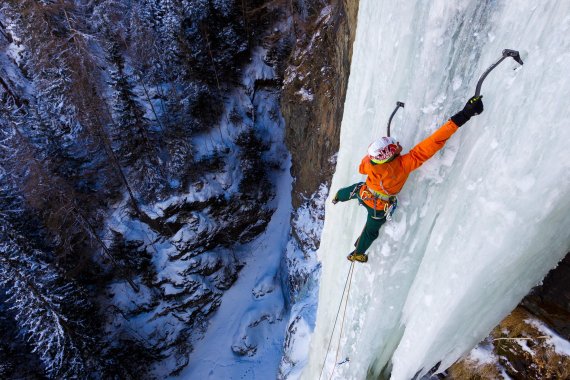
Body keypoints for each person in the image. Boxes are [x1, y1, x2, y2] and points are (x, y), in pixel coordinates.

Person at [332, 96, 484, 263]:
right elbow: (433, 143)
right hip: (379, 207)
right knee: (370, 232)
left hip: (364, 192)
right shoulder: (405, 164)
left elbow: (365, 164)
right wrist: (464, 115)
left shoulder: (369, 163)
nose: (397, 143)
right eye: (394, 145)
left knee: (353, 190)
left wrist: (387, 152)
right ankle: (357, 253)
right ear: (390, 155)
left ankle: (338, 196)